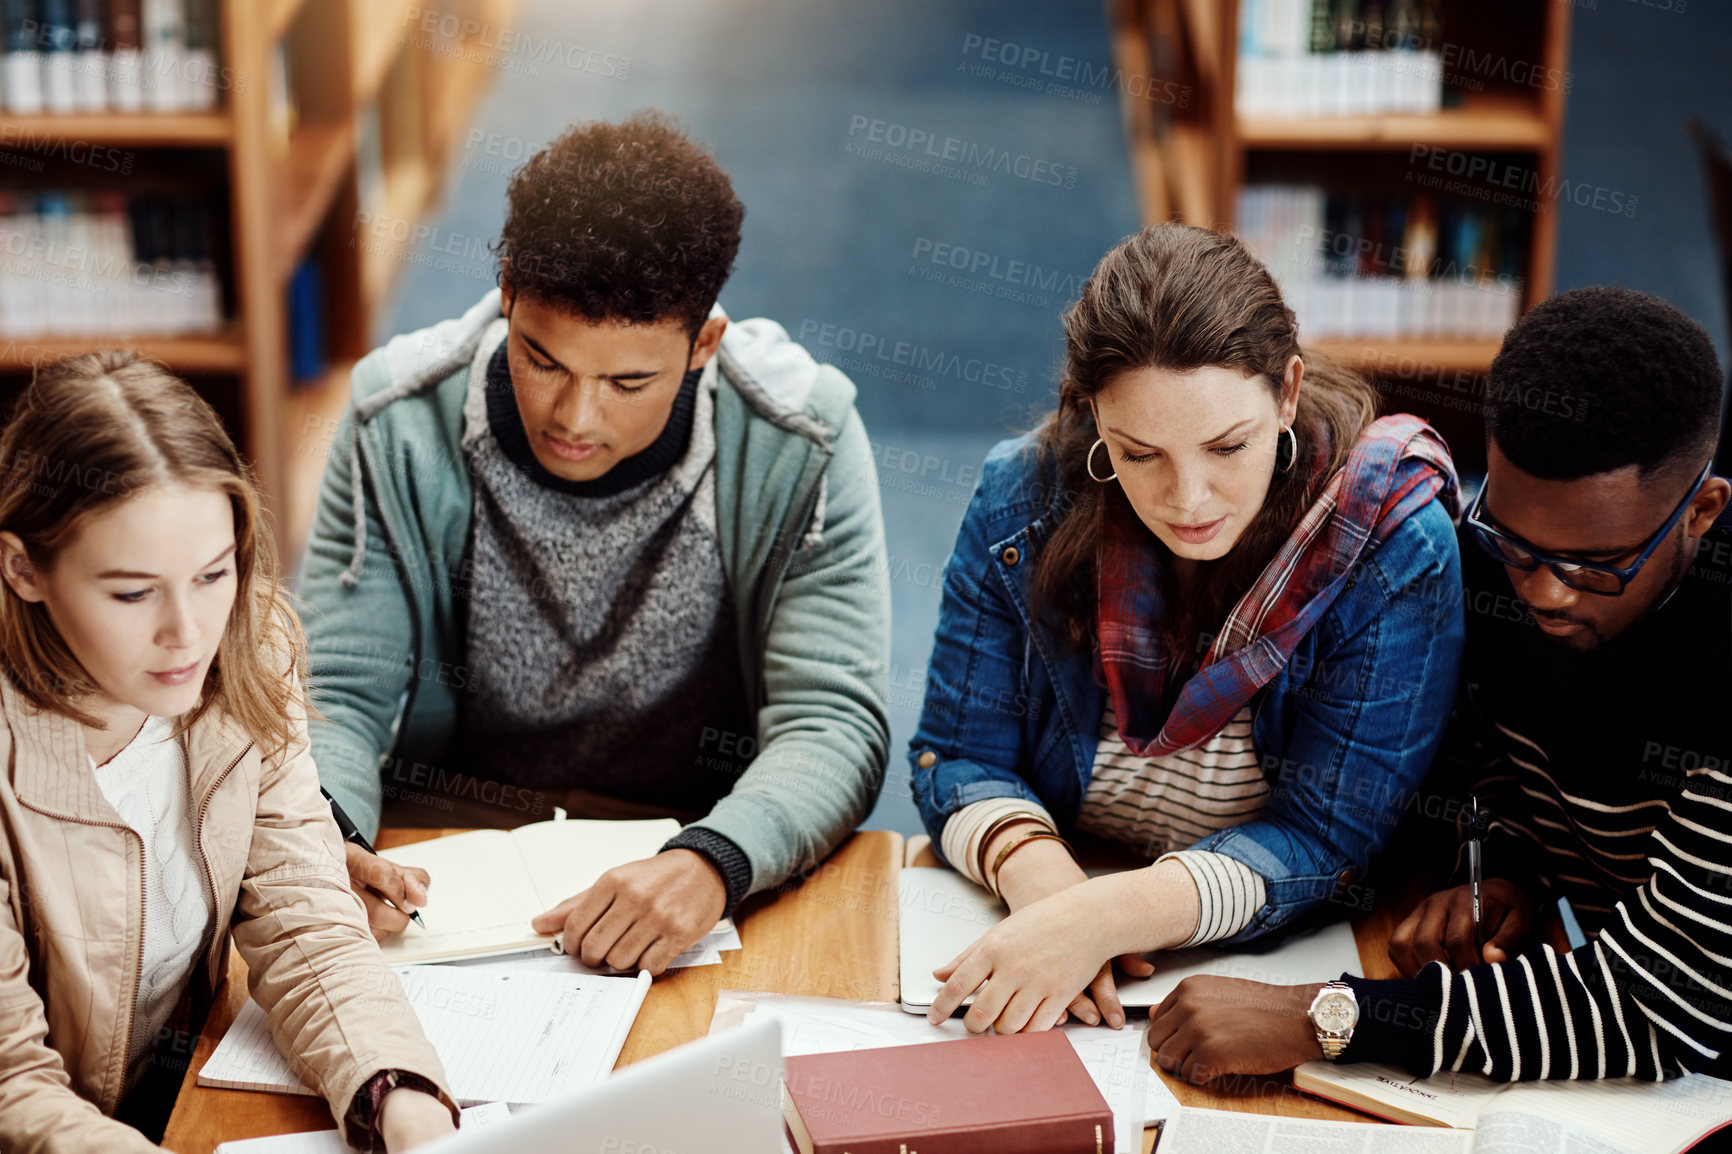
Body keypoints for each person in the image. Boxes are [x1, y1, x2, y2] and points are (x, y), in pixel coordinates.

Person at [301, 111, 890, 974]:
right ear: (507, 291)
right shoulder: (395, 418)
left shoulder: (803, 437)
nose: (575, 418)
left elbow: (832, 720)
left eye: (628, 381)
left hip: (698, 841)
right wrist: (328, 839)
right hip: (457, 851)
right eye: (543, 361)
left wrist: (714, 860)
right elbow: (337, 693)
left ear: (704, 344)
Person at [1145, 286, 1732, 1085]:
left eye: (1597, 565)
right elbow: (1484, 759)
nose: (1544, 592)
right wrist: (1501, 868)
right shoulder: (1484, 560)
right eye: (1517, 545)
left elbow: (1658, 1011)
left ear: (1702, 511)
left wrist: (1329, 1018)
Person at [909, 222, 1465, 1035]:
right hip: (1067, 929)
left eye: (1228, 446)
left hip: (1260, 976)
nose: (1189, 498)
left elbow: (1325, 840)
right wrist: (1041, 880)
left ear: (1287, 392)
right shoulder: (1020, 499)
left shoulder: (1392, 543)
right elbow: (954, 755)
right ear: (1093, 413)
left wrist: (1107, 916)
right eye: (1139, 454)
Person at [0, 353, 458, 1152]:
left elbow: (304, 918)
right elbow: (12, 1088)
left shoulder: (251, 646)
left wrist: (399, 1095)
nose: (188, 634)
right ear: (22, 569)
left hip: (177, 1103)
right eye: (132, 592)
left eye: (213, 574)